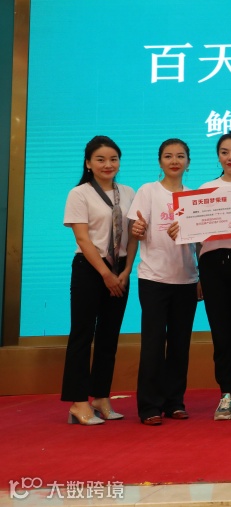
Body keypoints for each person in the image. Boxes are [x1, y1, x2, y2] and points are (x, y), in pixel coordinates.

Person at [168, 131, 231, 420]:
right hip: (211, 264)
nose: (230, 157)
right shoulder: (205, 189)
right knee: (220, 331)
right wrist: (180, 232)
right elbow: (197, 238)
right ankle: (225, 393)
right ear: (218, 156)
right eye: (225, 152)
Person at [62, 135, 136, 425]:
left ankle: (101, 397)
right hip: (90, 268)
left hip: (120, 270)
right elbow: (82, 238)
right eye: (101, 159)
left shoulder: (128, 192)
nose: (108, 164)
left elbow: (133, 236)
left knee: (109, 336)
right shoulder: (79, 193)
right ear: (88, 163)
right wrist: (106, 274)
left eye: (113, 159)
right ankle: (78, 402)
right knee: (83, 334)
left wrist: (126, 271)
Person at [128, 139, 201, 426]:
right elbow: (135, 229)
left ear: (188, 162)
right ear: (160, 161)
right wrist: (137, 228)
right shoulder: (148, 191)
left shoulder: (194, 197)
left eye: (180, 156)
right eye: (168, 156)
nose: (174, 161)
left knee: (180, 344)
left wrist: (202, 277)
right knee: (153, 344)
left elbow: (201, 243)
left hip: (186, 278)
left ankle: (174, 402)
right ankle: (149, 406)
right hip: (153, 278)